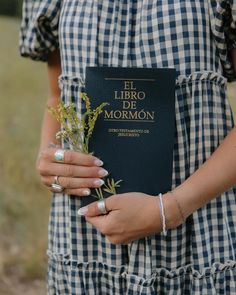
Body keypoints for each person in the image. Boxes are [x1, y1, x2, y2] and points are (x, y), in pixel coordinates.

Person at [20, 0, 236, 294]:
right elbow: (58, 95)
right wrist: (50, 160)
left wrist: (170, 209)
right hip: (86, 241)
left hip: (194, 237)